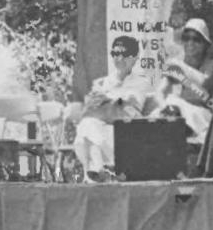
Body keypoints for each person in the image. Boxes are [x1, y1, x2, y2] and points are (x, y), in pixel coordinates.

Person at [73, 36, 151, 182]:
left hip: (126, 135)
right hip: (101, 132)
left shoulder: (141, 82)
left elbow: (132, 109)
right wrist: (91, 105)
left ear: (135, 57)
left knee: (87, 132)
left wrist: (109, 100)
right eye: (116, 53)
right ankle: (99, 169)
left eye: (124, 54)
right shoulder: (102, 83)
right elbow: (87, 114)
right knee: (86, 125)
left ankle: (96, 171)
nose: (119, 58)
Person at [154, 18, 213, 144]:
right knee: (167, 106)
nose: (190, 43)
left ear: (205, 44)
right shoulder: (175, 64)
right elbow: (160, 92)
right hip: (177, 113)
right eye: (186, 38)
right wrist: (165, 106)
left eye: (196, 39)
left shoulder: (210, 67)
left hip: (202, 118)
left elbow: (206, 96)